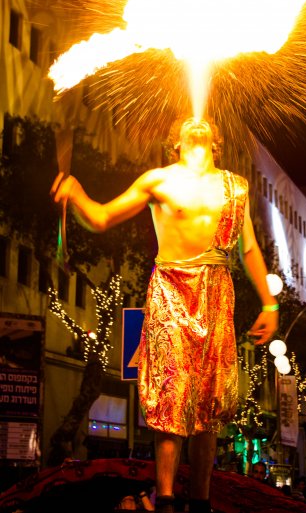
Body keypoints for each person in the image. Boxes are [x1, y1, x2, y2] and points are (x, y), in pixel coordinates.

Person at [51, 118, 279, 513]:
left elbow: (251, 250)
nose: (198, 120)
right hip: (170, 290)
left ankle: (201, 502)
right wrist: (77, 194)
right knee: (170, 401)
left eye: (205, 120)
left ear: (216, 140)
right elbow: (102, 218)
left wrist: (270, 304)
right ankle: (168, 498)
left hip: (216, 292)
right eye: (188, 120)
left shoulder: (235, 186)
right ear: (174, 140)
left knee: (207, 410)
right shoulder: (158, 180)